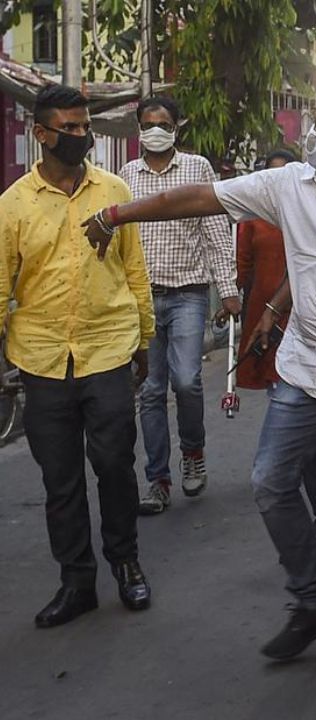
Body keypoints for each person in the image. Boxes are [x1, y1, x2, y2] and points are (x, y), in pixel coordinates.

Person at [83, 91, 316, 672]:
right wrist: (116, 213)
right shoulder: (289, 186)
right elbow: (201, 197)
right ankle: (315, 600)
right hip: (304, 368)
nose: (310, 136)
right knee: (270, 480)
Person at [0, 84, 154, 627]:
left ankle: (127, 563)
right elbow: (0, 285)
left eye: (84, 126)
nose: (80, 136)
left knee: (114, 464)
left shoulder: (113, 190)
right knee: (60, 478)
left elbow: (134, 268)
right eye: (67, 128)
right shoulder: (12, 205)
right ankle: (76, 581)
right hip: (42, 359)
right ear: (41, 134)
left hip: (107, 347)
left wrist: (144, 338)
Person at [120, 96, 240, 515]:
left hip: (188, 293)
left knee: (187, 381)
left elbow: (214, 230)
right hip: (142, 298)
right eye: (149, 123)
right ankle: (158, 479)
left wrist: (228, 288)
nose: (156, 129)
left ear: (176, 128)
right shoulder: (126, 176)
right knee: (150, 391)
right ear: (139, 128)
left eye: (164, 123)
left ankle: (193, 451)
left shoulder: (197, 168)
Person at [235, 149, 316, 557]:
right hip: (272, 327)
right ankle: (310, 541)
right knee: (277, 460)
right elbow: (243, 268)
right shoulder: (255, 218)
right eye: (272, 180)